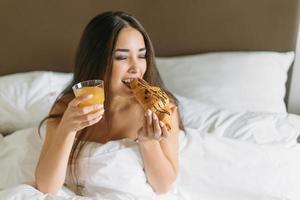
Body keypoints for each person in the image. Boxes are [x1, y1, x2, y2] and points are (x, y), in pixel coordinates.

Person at [35, 11, 185, 197]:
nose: (136, 68)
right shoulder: (68, 107)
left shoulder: (159, 108)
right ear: (96, 59)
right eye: (121, 57)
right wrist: (66, 129)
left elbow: (163, 187)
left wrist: (148, 143)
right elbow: (46, 188)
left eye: (141, 55)